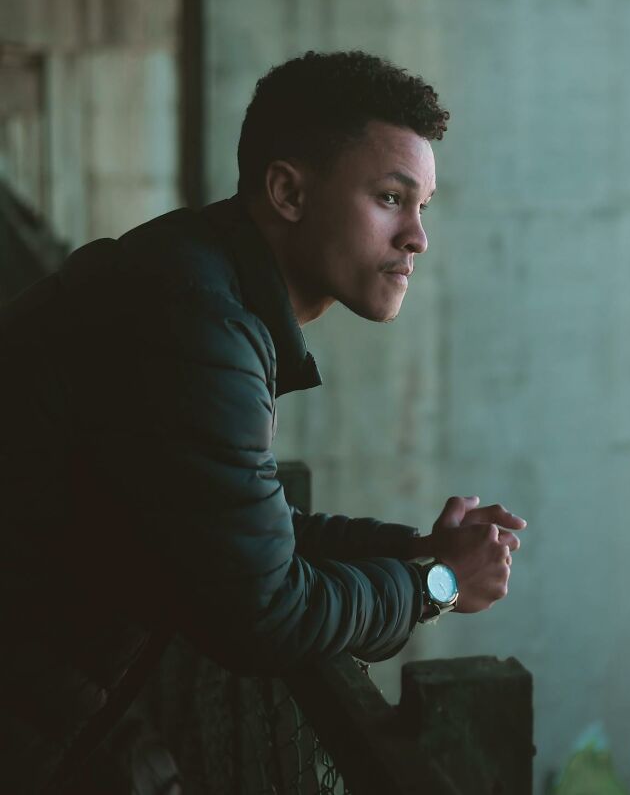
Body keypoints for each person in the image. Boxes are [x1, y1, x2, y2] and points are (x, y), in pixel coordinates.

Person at [0, 50, 526, 793]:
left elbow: (243, 528)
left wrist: (414, 550)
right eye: (390, 198)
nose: (417, 237)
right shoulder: (196, 323)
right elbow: (267, 612)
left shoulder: (195, 279)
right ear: (288, 191)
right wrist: (436, 584)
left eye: (423, 207)